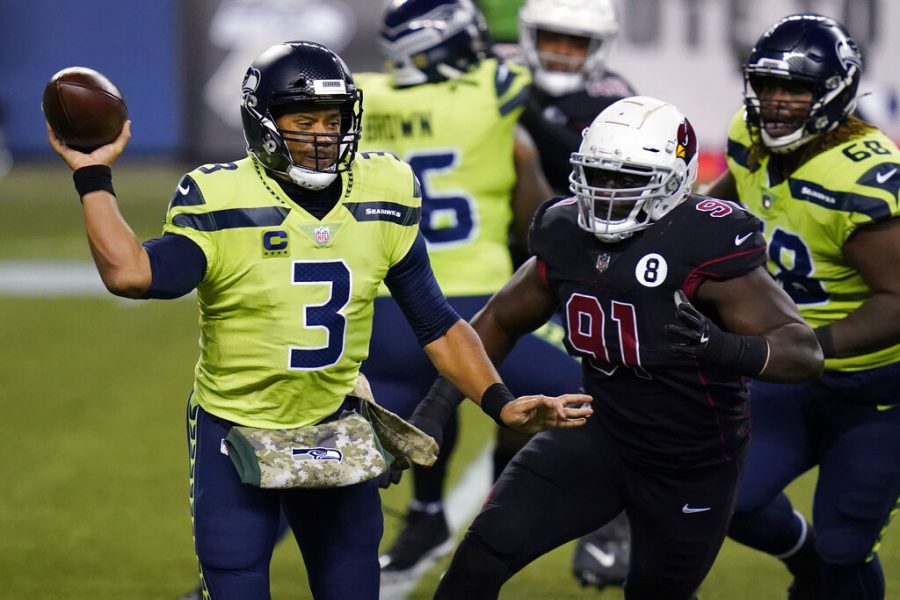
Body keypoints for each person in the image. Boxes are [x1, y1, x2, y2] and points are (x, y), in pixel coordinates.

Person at [46, 40, 593, 600]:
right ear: (264, 124)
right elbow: (133, 275)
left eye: (331, 120)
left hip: (335, 423)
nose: (321, 135)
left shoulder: (385, 190)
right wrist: (93, 175)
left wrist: (499, 401)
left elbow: (437, 323)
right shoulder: (219, 196)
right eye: (302, 119)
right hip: (236, 426)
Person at [407, 95, 824, 600]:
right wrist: (432, 411)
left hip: (691, 462)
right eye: (597, 175)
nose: (606, 191)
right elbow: (497, 321)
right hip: (597, 436)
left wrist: (717, 345)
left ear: (674, 179)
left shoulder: (703, 241)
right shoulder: (564, 231)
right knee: (480, 558)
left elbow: (802, 352)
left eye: (625, 179)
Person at [351, 0, 585, 581]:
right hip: (474, 304)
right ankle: (609, 528)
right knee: (604, 396)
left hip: (380, 310)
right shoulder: (494, 90)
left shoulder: (360, 96)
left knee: (335, 456)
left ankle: (426, 512)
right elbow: (538, 191)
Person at [704, 13, 900, 600]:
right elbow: (723, 210)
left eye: (797, 88)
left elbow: (899, 298)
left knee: (845, 547)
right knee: (726, 500)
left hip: (877, 389)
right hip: (790, 375)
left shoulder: (863, 178)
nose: (778, 101)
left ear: (834, 93)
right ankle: (804, 562)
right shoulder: (747, 135)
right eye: (767, 85)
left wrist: (813, 346)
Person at [505, 0, 639, 588]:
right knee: (505, 398)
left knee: (596, 393)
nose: (560, 52)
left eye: (575, 42)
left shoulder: (615, 99)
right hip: (507, 259)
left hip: (588, 262)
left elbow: (568, 156)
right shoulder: (498, 76)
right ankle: (493, 512)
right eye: (551, 38)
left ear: (598, 48)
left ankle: (608, 523)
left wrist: (519, 109)